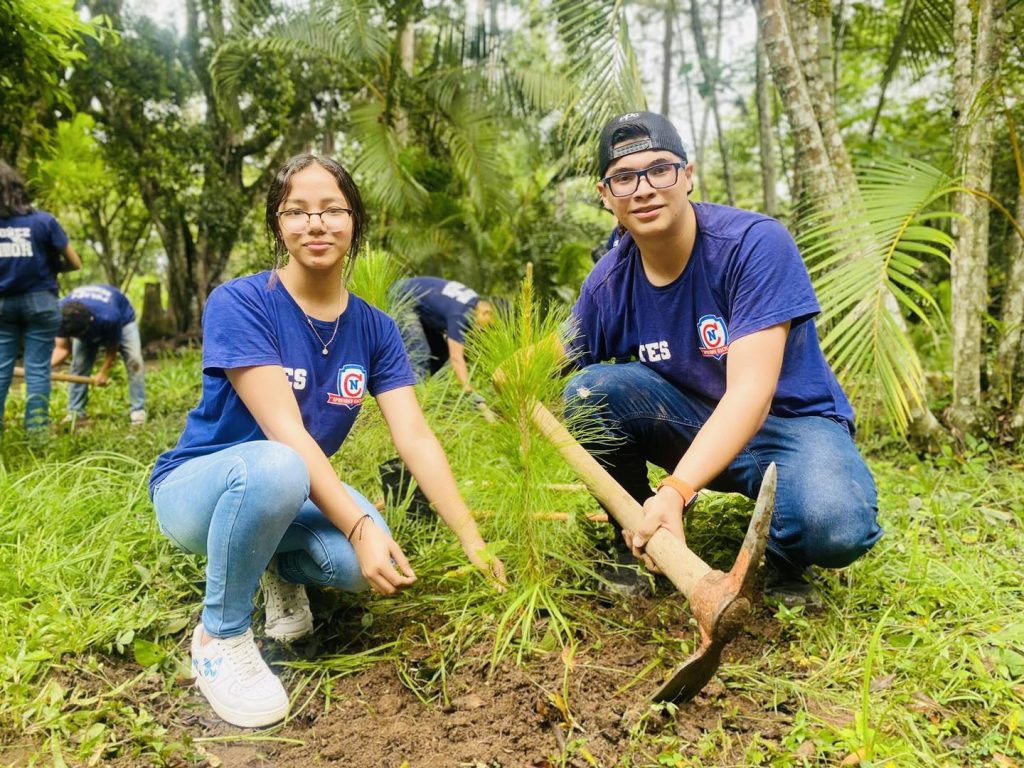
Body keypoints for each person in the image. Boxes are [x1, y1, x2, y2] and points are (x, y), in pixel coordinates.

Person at [149, 154, 505, 729]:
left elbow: (415, 435)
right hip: (201, 489)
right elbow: (286, 433)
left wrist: (472, 539)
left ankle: (273, 568)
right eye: (297, 211)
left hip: (291, 490)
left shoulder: (375, 328)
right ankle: (220, 636)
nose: (315, 224)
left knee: (364, 567)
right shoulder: (241, 302)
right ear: (278, 224)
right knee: (280, 466)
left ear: (354, 221)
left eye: (332, 210)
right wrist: (358, 525)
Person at [565, 111, 882, 602]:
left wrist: (676, 489)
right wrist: (505, 370)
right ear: (606, 195)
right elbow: (561, 353)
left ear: (688, 175)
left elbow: (751, 394)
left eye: (659, 170)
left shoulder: (753, 245)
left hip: (788, 426)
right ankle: (635, 532)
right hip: (687, 422)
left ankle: (782, 557)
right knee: (588, 393)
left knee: (835, 523)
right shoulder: (608, 281)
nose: (643, 189)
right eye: (624, 178)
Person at [0, 161, 81, 436]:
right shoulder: (43, 221)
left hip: (2, 304)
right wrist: (49, 266)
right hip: (40, 302)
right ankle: (37, 436)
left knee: (1, 369)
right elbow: (75, 262)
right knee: (37, 370)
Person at [51, 284, 146, 425]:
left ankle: (138, 410)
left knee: (134, 360)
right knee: (79, 366)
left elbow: (112, 347)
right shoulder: (60, 315)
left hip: (123, 320)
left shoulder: (109, 317)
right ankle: (75, 413)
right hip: (86, 319)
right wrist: (43, 368)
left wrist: (103, 372)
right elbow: (62, 349)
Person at [391, 276, 494, 395]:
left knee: (440, 354)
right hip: (403, 297)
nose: (484, 329)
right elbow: (456, 358)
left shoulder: (474, 302)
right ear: (485, 312)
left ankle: (429, 394)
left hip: (420, 305)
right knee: (420, 354)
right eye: (488, 325)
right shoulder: (461, 314)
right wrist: (469, 392)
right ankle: (413, 398)